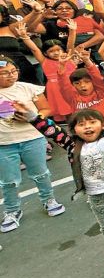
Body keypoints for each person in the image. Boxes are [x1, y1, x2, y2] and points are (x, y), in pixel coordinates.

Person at [32, 87, 104, 272]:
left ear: (102, 125)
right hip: (96, 197)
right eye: (81, 124)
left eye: (92, 122)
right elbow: (51, 130)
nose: (87, 127)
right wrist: (31, 116)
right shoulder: (72, 145)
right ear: (74, 130)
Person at [0, 54, 66, 233]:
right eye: (5, 73)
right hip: (4, 144)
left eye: (14, 71)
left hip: (33, 138)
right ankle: (12, 210)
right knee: (8, 181)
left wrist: (32, 117)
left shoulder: (28, 88)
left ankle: (49, 200)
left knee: (41, 174)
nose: (11, 75)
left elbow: (46, 109)